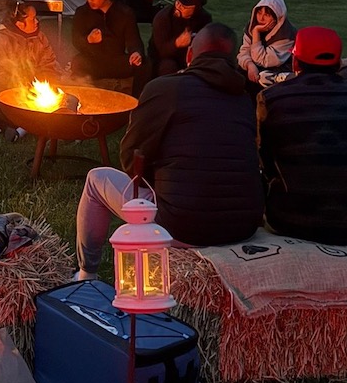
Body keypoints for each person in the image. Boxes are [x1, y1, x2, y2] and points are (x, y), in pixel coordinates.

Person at [73, 22, 264, 279]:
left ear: (189, 55)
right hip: (243, 226)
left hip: (181, 226)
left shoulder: (165, 88)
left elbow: (132, 160)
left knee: (97, 180)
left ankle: (86, 274)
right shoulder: (244, 99)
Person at [257, 26, 347, 245]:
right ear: (339, 64)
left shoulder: (271, 98)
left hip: (292, 221)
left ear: (295, 62)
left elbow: (264, 161)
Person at [70, 0, 146, 91]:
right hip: (93, 61)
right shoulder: (82, 12)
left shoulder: (124, 13)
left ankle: (136, 103)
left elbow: (134, 41)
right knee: (78, 62)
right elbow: (76, 40)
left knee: (144, 65)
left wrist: (136, 53)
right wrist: (88, 40)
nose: (90, 0)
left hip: (116, 61)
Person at [0, 2, 62, 93]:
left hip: (36, 89)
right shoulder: (1, 41)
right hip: (8, 91)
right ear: (20, 24)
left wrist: (43, 83)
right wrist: (20, 86)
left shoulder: (40, 38)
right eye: (33, 19)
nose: (37, 21)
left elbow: (49, 64)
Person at [236, 0, 297, 88]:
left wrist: (256, 33)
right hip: (255, 68)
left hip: (277, 72)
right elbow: (243, 52)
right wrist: (249, 65)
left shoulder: (286, 35)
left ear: (277, 16)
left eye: (267, 15)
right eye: (259, 13)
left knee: (262, 78)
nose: (261, 18)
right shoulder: (252, 27)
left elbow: (262, 60)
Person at [149, 0, 212, 76]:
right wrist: (177, 43)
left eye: (184, 6)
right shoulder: (163, 18)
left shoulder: (204, 19)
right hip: (164, 58)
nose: (178, 6)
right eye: (178, 2)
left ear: (196, 9)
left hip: (191, 57)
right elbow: (160, 51)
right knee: (168, 66)